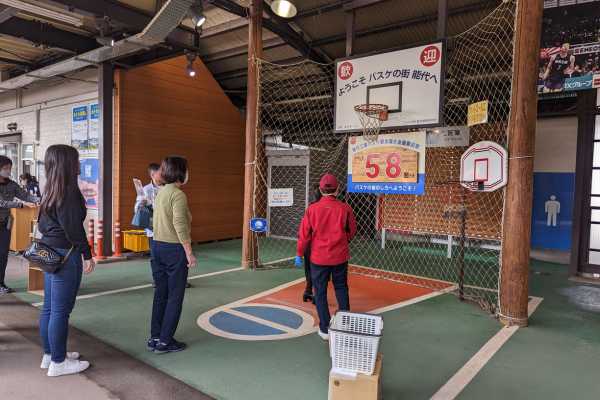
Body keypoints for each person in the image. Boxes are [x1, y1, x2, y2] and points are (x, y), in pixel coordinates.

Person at [37, 145, 95, 377]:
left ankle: (50, 355)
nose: (79, 164)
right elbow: (73, 228)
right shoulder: (68, 191)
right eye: (77, 159)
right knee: (60, 311)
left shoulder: (50, 188)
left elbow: (43, 225)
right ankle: (59, 363)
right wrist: (87, 254)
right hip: (65, 254)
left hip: (49, 251)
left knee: (50, 308)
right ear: (68, 163)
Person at [295, 173, 356, 340]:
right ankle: (345, 324)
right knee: (341, 288)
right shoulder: (346, 209)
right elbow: (352, 232)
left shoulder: (312, 210)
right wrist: (342, 241)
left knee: (320, 292)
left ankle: (325, 329)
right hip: (340, 257)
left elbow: (304, 235)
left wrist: (299, 253)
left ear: (320, 190)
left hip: (318, 258)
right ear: (337, 190)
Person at [148, 156, 197, 354]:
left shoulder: (160, 192)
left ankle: (155, 337)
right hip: (174, 250)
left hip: (157, 247)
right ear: (180, 172)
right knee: (174, 297)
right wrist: (189, 252)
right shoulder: (177, 195)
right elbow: (180, 224)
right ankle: (166, 341)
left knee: (161, 294)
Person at [134, 163, 192, 289]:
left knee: (173, 259)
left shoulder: (166, 189)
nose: (163, 174)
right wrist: (143, 204)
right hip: (153, 229)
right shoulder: (146, 189)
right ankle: (158, 280)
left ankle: (179, 280)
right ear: (153, 174)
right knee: (156, 258)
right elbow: (136, 209)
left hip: (168, 229)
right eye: (160, 172)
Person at [0, 156, 39, 294]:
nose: (8, 170)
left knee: (3, 255)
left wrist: (39, 199)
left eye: (9, 168)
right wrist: (20, 204)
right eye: (5, 168)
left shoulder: (11, 184)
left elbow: (24, 195)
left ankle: (1, 283)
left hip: (5, 224)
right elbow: (2, 203)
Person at [302, 185, 322, 304]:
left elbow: (304, 230)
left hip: (309, 244)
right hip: (319, 246)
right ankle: (315, 293)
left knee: (308, 269)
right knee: (318, 271)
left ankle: (308, 290)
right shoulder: (329, 207)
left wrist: (300, 250)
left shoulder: (310, 208)